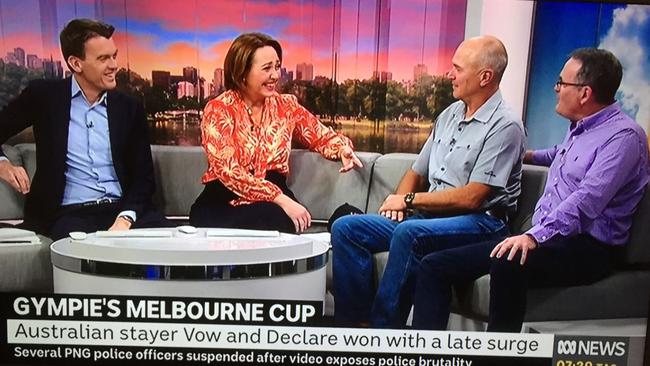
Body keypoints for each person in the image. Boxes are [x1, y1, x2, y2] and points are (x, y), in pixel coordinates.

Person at [412, 48, 649, 332]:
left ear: (584, 94)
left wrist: (533, 236)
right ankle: (428, 358)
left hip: (589, 247)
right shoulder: (582, 129)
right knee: (434, 266)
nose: (556, 89)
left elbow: (588, 200)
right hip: (551, 239)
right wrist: (522, 154)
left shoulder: (624, 137)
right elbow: (560, 154)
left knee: (509, 262)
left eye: (561, 83)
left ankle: (497, 360)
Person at [331, 35, 526, 328]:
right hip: (429, 217)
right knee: (347, 228)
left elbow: (472, 197)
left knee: (410, 233)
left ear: (485, 77)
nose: (450, 75)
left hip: (480, 223)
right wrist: (396, 203)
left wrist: (409, 201)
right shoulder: (449, 114)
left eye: (458, 69)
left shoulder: (505, 125)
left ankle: (384, 333)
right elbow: (416, 172)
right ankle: (356, 327)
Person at [0, 18, 169, 240]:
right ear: (76, 63)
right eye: (103, 59)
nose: (113, 65)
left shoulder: (129, 107)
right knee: (81, 250)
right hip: (70, 213)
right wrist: (3, 164)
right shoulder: (44, 97)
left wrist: (125, 219)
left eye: (114, 56)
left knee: (170, 247)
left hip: (123, 212)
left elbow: (143, 177)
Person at [189, 32, 362, 234]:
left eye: (277, 66)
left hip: (273, 204)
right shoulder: (219, 109)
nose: (275, 75)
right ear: (242, 72)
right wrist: (280, 198)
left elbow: (320, 135)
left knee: (275, 218)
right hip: (223, 199)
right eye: (267, 68)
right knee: (272, 218)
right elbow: (228, 171)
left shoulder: (286, 106)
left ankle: (336, 227)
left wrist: (341, 149)